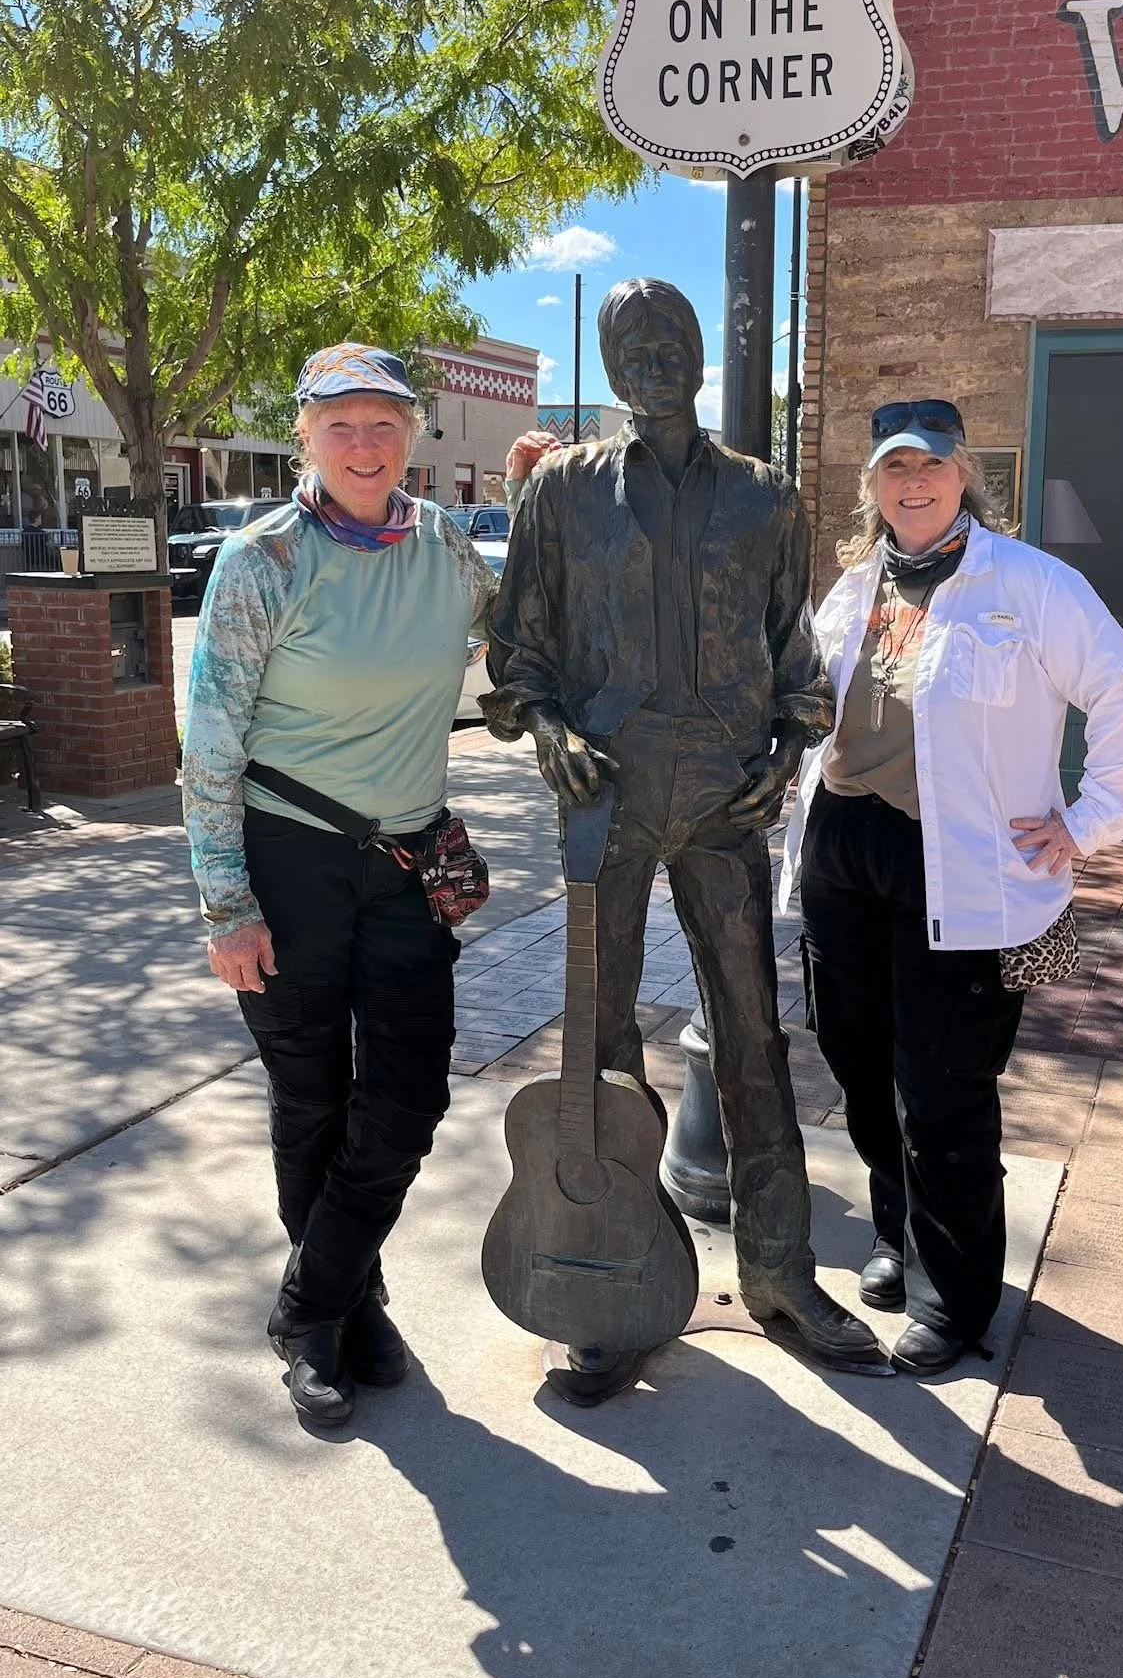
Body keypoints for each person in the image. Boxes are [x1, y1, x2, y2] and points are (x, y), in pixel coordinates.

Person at [483, 276, 885, 1394]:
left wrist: (788, 758)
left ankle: (780, 1269)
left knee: (754, 1034)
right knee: (599, 1039)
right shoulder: (560, 491)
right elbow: (518, 648)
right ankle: (612, 1275)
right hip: (605, 791)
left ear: (702, 352)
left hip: (722, 794)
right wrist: (549, 731)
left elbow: (794, 654)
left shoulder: (765, 497)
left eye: (671, 340)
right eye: (631, 346)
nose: (653, 359)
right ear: (610, 367)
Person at [781, 400, 1123, 1377]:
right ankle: (897, 1230)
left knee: (942, 1080)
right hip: (842, 847)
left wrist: (1090, 819)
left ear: (964, 475)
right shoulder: (853, 587)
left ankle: (955, 1292)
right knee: (857, 1056)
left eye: (931, 465)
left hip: (955, 858)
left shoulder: (1028, 583)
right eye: (894, 468)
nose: (912, 483)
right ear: (872, 483)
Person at [183, 345, 499, 1428]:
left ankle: (309, 1302)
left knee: (407, 1101)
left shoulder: (448, 547)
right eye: (340, 425)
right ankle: (346, 1311)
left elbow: (526, 637)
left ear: (414, 433)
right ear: (305, 436)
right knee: (312, 1098)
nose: (364, 446)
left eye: (384, 424)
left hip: (408, 864)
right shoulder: (264, 559)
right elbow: (210, 746)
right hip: (289, 862)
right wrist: (227, 906)